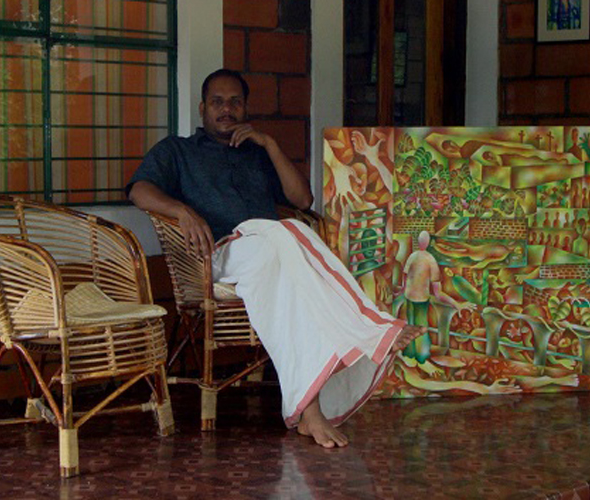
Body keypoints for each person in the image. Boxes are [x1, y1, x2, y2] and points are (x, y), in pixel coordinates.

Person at [126, 69, 424, 448]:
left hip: (270, 255)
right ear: (202, 108)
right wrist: (182, 211)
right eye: (217, 101)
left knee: (292, 279)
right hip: (217, 256)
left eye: (235, 101)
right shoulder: (178, 151)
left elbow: (302, 201)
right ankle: (368, 324)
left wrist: (269, 144)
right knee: (290, 231)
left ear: (246, 108)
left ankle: (308, 412)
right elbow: (139, 191)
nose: (227, 109)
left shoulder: (257, 152)